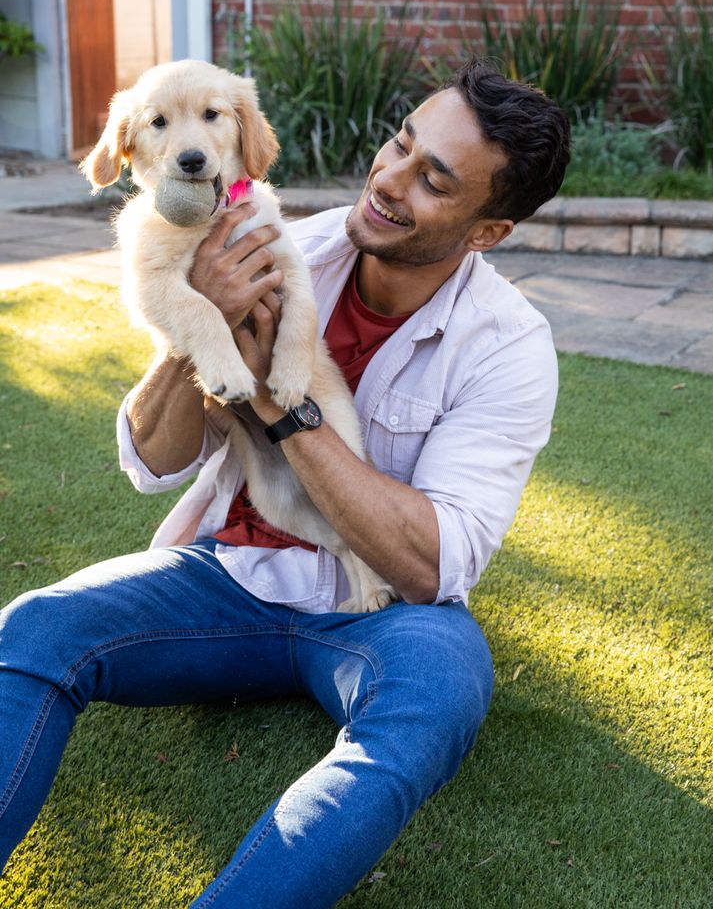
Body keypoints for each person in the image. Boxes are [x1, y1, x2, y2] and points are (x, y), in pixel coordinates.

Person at [0, 59, 571, 906]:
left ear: (486, 230)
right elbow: (154, 462)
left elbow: (431, 562)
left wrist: (279, 402)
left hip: (378, 608)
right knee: (34, 628)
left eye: (432, 180)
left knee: (438, 696)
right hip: (227, 575)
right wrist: (196, 326)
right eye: (399, 144)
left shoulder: (510, 349)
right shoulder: (274, 243)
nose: (388, 179)